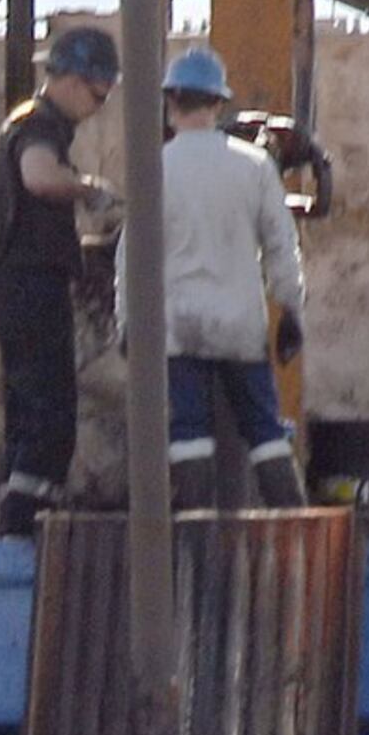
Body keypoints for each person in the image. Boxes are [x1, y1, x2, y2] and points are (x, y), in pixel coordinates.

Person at [141, 46, 308, 510]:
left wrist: (126, 321)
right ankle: (294, 524)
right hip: (240, 322)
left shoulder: (155, 167)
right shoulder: (254, 166)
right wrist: (291, 309)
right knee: (264, 429)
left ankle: (193, 530)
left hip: (180, 323)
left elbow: (132, 254)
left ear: (170, 102)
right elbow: (280, 246)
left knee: (188, 430)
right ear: (219, 104)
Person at [0, 26, 122, 537]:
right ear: (69, 79)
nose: (98, 105)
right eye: (96, 92)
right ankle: (29, 522)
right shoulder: (38, 125)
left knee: (28, 407)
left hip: (13, 283)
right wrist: (89, 191)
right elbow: (39, 177)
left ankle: (17, 513)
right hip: (28, 284)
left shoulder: (31, 123)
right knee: (50, 409)